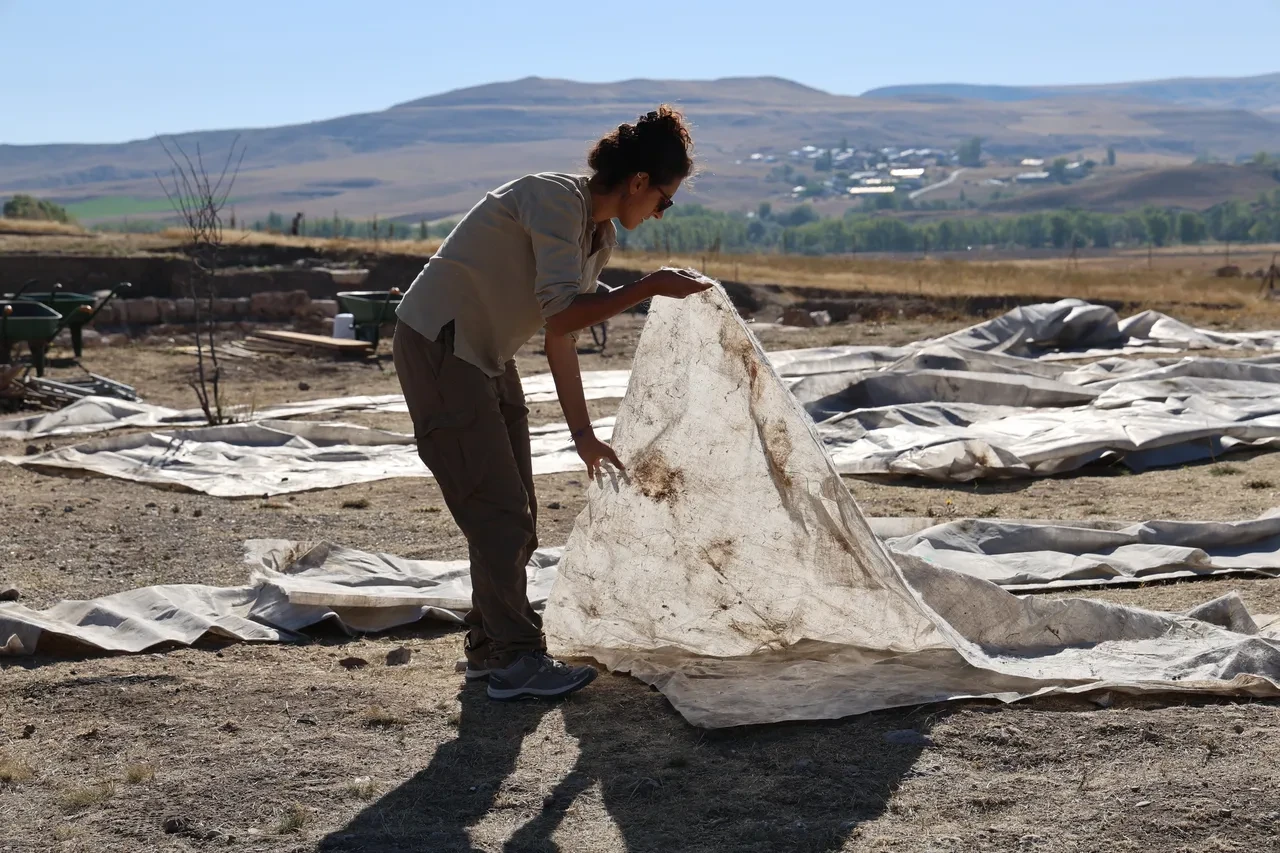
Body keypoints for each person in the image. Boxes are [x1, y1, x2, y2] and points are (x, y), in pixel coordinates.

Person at [392, 106, 711, 701]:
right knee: (499, 512)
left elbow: (559, 335)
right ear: (639, 181)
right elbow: (564, 313)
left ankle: (491, 648)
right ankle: (515, 658)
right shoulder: (554, 200)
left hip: (483, 355)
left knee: (517, 513)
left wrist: (584, 434)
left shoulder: (599, 234)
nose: (663, 212)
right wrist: (646, 289)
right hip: (441, 345)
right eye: (665, 199)